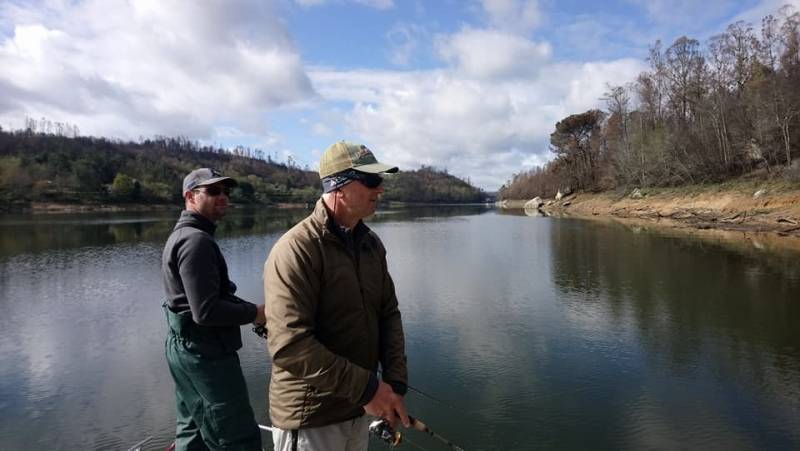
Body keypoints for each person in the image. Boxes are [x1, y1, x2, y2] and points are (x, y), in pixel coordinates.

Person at [264, 141, 409, 451]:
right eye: (371, 180)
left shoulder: (371, 245)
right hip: (311, 420)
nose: (380, 188)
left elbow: (388, 313)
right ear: (338, 186)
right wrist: (370, 390)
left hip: (359, 409)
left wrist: (393, 384)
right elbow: (290, 346)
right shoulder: (295, 250)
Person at [162, 167, 265, 451]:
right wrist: (256, 313)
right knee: (236, 438)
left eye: (226, 191)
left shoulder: (186, 235)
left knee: (193, 432)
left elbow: (202, 301)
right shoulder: (195, 241)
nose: (223, 197)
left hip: (188, 350)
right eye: (213, 191)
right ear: (190, 197)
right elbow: (205, 311)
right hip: (205, 356)